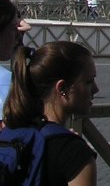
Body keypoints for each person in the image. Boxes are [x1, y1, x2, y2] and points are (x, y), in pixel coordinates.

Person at [1, 40, 99, 185]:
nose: (96, 89)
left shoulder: (8, 133)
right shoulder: (74, 153)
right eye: (89, 82)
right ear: (62, 88)